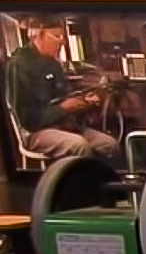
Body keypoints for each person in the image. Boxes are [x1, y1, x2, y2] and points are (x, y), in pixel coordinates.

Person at [4, 18, 116, 161]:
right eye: (57, 36)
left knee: (108, 144)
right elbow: (28, 120)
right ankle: (79, 183)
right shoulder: (19, 65)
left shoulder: (55, 64)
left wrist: (83, 101)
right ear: (38, 36)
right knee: (79, 145)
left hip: (65, 125)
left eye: (63, 36)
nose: (62, 41)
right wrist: (63, 108)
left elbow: (64, 95)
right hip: (36, 131)